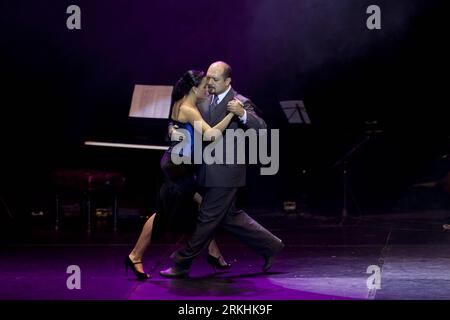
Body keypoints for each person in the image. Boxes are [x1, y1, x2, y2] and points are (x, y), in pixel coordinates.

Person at [160, 61, 284, 278]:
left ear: (228, 81)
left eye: (215, 79)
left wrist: (243, 114)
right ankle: (271, 246)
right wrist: (174, 128)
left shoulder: (240, 101)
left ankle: (181, 263)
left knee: (206, 219)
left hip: (226, 172)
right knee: (229, 217)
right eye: (208, 78)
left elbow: (262, 128)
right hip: (206, 169)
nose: (209, 82)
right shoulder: (203, 99)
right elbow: (188, 119)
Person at [125, 70, 236, 279]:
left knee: (202, 208)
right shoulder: (188, 108)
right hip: (178, 168)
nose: (208, 88)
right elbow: (211, 134)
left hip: (176, 165)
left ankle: (214, 252)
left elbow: (174, 125)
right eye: (205, 86)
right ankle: (135, 255)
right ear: (194, 89)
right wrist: (232, 114)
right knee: (165, 216)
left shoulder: (180, 102)